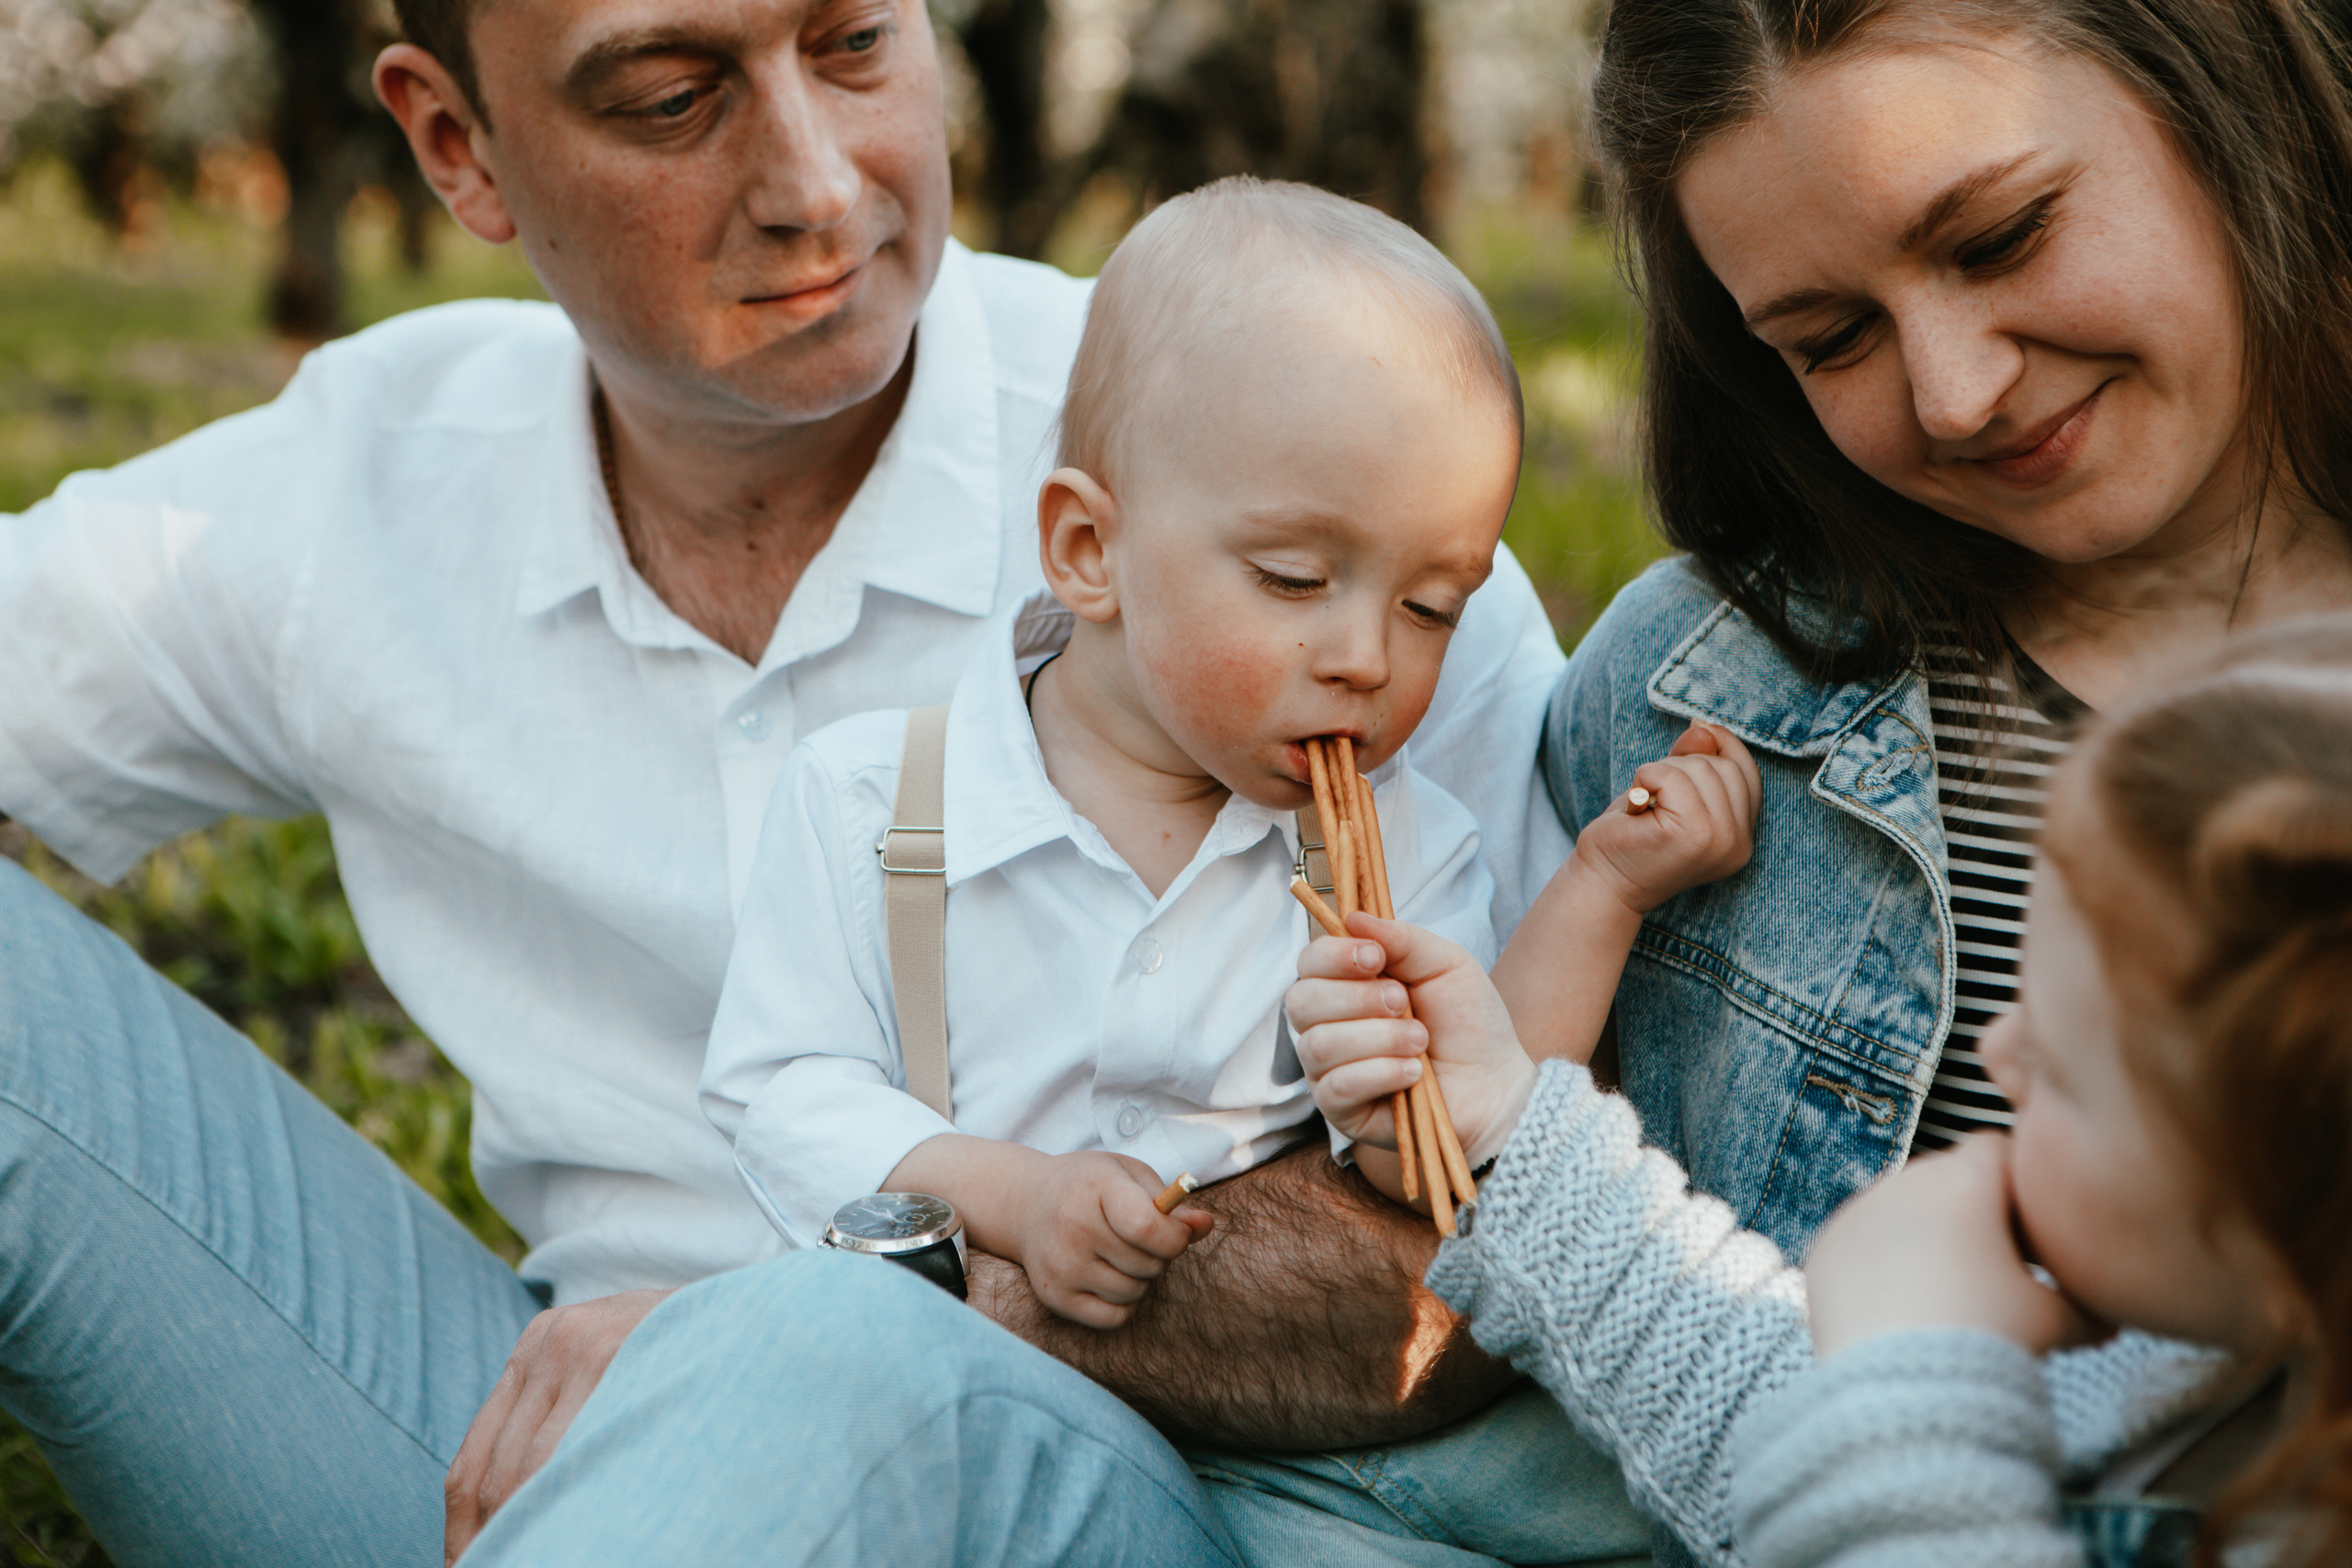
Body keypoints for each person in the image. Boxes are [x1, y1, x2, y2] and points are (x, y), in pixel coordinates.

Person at [0, 0, 1587, 1562]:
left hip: (1112, 1483)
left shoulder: (1307, 480)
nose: (820, 184)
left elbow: (1477, 1265)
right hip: (505, 1451)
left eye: (854, 43)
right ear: (455, 145)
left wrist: (784, 1341)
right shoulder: (349, 492)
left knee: (821, 1355)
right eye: (673, 94)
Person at [700, 178, 1759, 1327]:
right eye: (1294, 580)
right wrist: (1017, 1198)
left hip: (1295, 1433)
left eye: (1432, 607)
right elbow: (780, 1093)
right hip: (964, 1386)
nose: (1364, 657)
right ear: (1085, 548)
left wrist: (1602, 889)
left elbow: (1451, 1153)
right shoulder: (872, 804)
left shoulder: (1397, 847)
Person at [1546, 0, 2352, 1262]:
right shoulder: (1685, 689)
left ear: (2221, 82)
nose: (1954, 393)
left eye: (2000, 238)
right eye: (1832, 340)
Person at [1288, 612, 2352, 1566]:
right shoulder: (2174, 1377)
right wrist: (1505, 1122)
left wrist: (1912, 1367)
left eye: (2065, 1072)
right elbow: (1767, 1427)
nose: (2001, 1056)